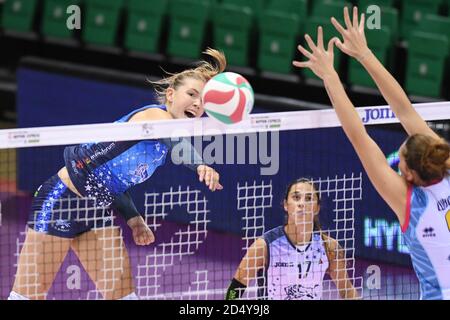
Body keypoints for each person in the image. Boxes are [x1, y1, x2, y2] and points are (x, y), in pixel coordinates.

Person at [8, 48, 226, 300]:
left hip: (95, 212)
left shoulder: (159, 150)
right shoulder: (155, 116)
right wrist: (200, 165)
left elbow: (110, 182)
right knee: (26, 297)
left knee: (124, 297)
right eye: (192, 94)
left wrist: (133, 218)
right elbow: (176, 140)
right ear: (170, 94)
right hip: (61, 202)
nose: (198, 104)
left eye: (204, 102)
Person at [293, 6, 450, 299]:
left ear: (409, 174)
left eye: (400, 161)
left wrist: (329, 74)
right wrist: (364, 53)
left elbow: (358, 134)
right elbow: (403, 109)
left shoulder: (409, 204)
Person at [226, 178, 359, 300]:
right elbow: (235, 288)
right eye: (296, 197)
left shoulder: (329, 247)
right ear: (285, 205)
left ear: (317, 208)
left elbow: (347, 291)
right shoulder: (265, 246)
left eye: (308, 198)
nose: (302, 203)